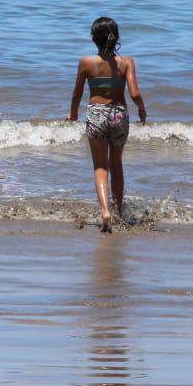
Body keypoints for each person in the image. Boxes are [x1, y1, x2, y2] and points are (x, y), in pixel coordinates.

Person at [68, 17, 148, 233]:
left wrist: (72, 114)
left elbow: (77, 94)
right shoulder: (127, 61)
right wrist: (141, 109)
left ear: (94, 38)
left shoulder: (85, 62)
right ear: (116, 37)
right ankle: (119, 211)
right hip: (119, 116)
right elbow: (134, 93)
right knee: (116, 165)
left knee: (100, 166)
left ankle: (105, 211)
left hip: (96, 115)